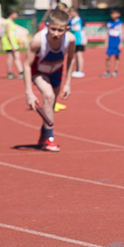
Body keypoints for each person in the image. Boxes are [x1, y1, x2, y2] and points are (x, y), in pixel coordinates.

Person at [22, 9, 76, 152]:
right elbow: (26, 65)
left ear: (67, 29)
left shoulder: (70, 40)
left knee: (50, 105)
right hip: (38, 72)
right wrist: (29, 92)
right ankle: (50, 139)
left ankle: (44, 131)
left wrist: (68, 83)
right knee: (49, 96)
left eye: (60, 30)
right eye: (53, 29)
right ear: (47, 25)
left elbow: (71, 59)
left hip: (56, 72)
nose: (56, 34)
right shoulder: (38, 40)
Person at [0, 9, 24, 79]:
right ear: (11, 14)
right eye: (15, 14)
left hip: (12, 42)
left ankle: (12, 72)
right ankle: (19, 72)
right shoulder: (7, 22)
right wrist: (12, 44)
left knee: (12, 57)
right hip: (10, 43)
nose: (16, 15)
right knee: (15, 57)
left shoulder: (11, 22)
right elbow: (8, 34)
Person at [102, 9, 124, 78]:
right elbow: (107, 33)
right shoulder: (109, 22)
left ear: (118, 14)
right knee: (107, 57)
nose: (113, 15)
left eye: (114, 14)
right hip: (110, 42)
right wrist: (106, 42)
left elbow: (122, 33)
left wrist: (121, 43)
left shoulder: (120, 23)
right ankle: (108, 71)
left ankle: (115, 71)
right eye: (112, 14)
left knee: (117, 56)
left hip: (117, 41)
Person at [68, 7, 87, 78]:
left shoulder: (80, 19)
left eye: (71, 12)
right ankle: (73, 70)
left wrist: (84, 39)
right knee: (72, 56)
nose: (70, 13)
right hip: (73, 40)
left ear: (75, 12)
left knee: (79, 55)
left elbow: (84, 29)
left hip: (79, 40)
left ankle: (80, 70)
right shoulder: (71, 20)